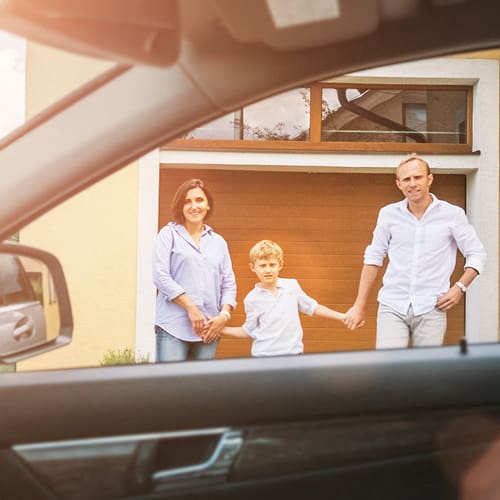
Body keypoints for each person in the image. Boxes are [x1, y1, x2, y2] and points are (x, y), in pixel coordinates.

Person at [344, 154, 487, 348]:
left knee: (425, 374)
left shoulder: (452, 214)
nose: (412, 184)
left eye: (417, 177)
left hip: (432, 307)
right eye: (406, 179)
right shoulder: (388, 214)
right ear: (399, 184)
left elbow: (477, 253)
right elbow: (373, 258)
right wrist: (359, 306)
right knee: (389, 369)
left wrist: (459, 288)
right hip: (392, 304)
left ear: (429, 179)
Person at [153, 178, 237, 361]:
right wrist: (190, 307)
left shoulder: (218, 242)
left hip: (209, 331)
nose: (194, 206)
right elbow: (160, 276)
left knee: (200, 389)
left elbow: (229, 284)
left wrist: (224, 315)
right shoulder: (168, 235)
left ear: (208, 205)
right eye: (187, 201)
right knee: (171, 387)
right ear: (180, 207)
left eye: (199, 200)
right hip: (172, 328)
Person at [218, 240, 346, 357]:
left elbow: (313, 308)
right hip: (263, 357)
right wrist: (220, 329)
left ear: (280, 265)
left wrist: (342, 317)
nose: (268, 270)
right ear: (253, 267)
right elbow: (248, 331)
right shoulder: (251, 299)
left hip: (294, 355)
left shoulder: (292, 286)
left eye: (272, 265)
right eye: (262, 265)